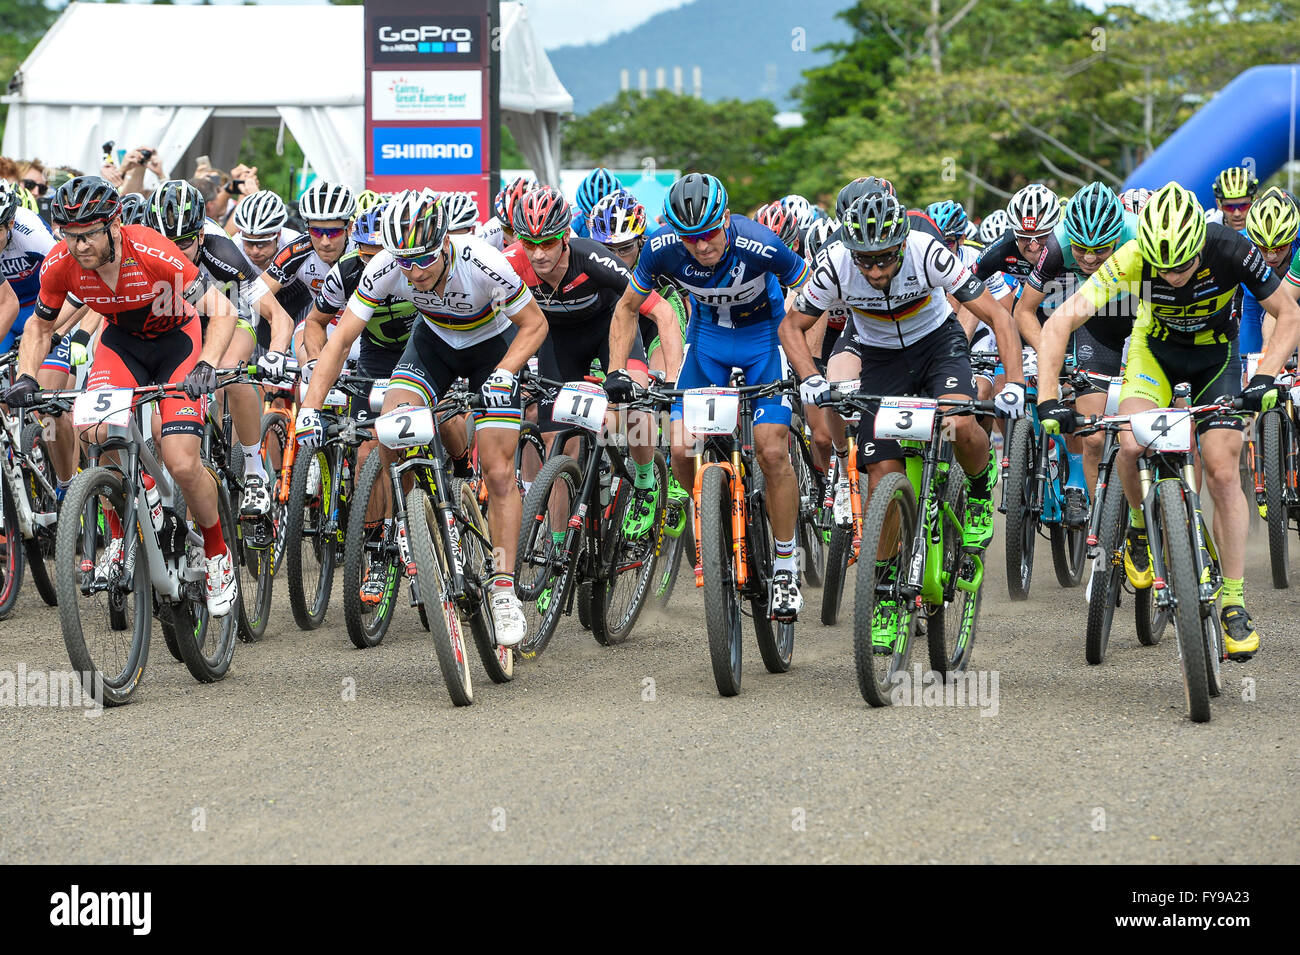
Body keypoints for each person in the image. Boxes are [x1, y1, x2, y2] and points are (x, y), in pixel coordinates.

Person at [1036, 182, 1300, 662]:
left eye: (1183, 264)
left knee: (1221, 468)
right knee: (1129, 440)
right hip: (1152, 354)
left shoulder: (1230, 247)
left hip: (1214, 359)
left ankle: (1235, 602)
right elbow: (1059, 323)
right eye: (1164, 266)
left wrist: (1265, 375)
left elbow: (1288, 313)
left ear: (1201, 242)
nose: (1174, 275)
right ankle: (1138, 528)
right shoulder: (1134, 256)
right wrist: (1048, 399)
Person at [296, 191, 548, 646]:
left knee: (497, 472)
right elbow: (339, 339)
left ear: (445, 241)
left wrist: (506, 373)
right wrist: (310, 408)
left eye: (424, 259)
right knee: (389, 424)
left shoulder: (483, 261)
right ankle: (414, 523)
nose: (415, 271)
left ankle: (505, 588)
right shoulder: (386, 266)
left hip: (492, 350)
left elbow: (534, 325)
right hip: (432, 347)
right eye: (405, 262)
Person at [2, 176, 242, 616]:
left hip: (178, 344)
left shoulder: (152, 251)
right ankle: (121, 530)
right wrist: (26, 376)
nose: (78, 246)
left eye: (88, 234)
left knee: (183, 461)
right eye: (69, 235)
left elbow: (222, 311)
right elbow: (38, 324)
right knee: (92, 430)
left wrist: (208, 364)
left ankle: (216, 552)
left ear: (114, 225)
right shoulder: (61, 263)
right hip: (122, 344)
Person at [605, 172, 811, 619]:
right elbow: (626, 307)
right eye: (690, 237)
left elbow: (808, 289)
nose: (700, 245)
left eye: (710, 233)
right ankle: (714, 517)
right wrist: (617, 371)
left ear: (725, 218)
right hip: (709, 346)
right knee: (680, 448)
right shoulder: (661, 248)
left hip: (762, 341)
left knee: (772, 450)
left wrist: (801, 356)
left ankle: (784, 562)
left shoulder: (759, 242)